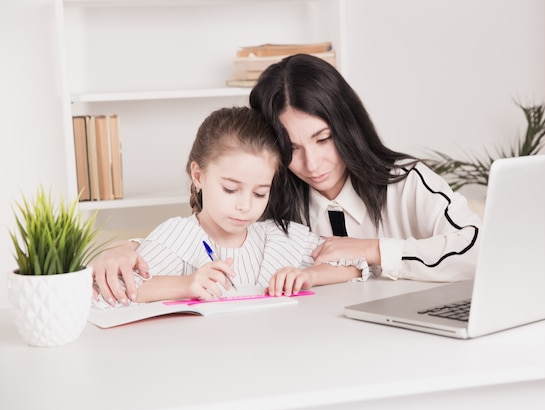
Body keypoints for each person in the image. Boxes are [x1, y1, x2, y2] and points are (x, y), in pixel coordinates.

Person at [92, 54, 481, 304]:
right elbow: (206, 231)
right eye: (292, 149)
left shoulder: (408, 182)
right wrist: (123, 249)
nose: (313, 163)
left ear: (347, 125)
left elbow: (480, 252)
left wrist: (373, 249)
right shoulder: (270, 202)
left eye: (323, 139)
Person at [92, 106, 365, 307]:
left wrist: (308, 276)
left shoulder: (281, 237)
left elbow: (357, 265)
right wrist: (186, 285)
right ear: (198, 176)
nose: (245, 206)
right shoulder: (177, 237)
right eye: (230, 189)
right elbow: (107, 293)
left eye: (260, 193)